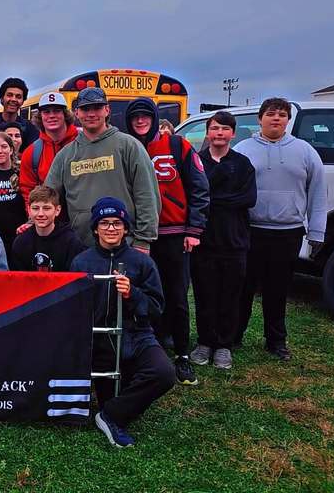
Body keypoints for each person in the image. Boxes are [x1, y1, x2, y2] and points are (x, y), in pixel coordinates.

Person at [70, 197, 174, 448]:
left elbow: (157, 309)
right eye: (104, 223)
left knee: (164, 373)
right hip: (100, 340)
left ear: (126, 228)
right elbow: (73, 309)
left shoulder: (142, 262)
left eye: (117, 223)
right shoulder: (81, 263)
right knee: (110, 395)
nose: (111, 228)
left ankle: (109, 416)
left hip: (137, 335)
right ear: (95, 228)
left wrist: (133, 294)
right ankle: (113, 409)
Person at [124, 97, 210, 386]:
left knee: (176, 295)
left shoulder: (177, 145)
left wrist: (194, 230)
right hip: (139, 237)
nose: (139, 121)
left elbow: (199, 188)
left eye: (145, 116)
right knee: (144, 294)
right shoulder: (127, 148)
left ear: (154, 117)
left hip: (174, 234)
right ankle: (154, 347)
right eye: (134, 117)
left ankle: (183, 355)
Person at [234, 98, 327, 361]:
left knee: (278, 289)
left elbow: (318, 192)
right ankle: (235, 335)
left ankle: (276, 340)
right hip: (251, 229)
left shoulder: (305, 151)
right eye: (271, 114)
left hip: (288, 231)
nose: (277, 118)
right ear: (260, 119)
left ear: (288, 120)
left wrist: (317, 231)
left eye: (282, 115)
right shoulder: (243, 149)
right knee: (244, 287)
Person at [44, 87, 160, 251]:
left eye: (97, 108)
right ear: (76, 113)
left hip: (125, 246)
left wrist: (143, 240)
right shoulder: (65, 155)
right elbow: (48, 197)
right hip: (79, 247)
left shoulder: (129, 146)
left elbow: (147, 195)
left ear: (107, 110)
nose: (91, 114)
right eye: (85, 109)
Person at [190, 111, 257, 370]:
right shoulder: (196, 161)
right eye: (215, 128)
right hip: (204, 240)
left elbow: (248, 198)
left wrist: (211, 199)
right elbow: (193, 196)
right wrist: (218, 199)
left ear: (232, 133)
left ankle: (224, 346)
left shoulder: (242, 164)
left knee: (231, 295)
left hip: (234, 241)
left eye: (225, 129)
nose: (219, 133)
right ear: (208, 132)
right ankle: (205, 342)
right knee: (205, 294)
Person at [19, 92, 79, 207]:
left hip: (82, 216)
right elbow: (28, 191)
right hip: (50, 219)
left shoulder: (83, 141)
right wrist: (35, 218)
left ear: (65, 114)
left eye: (57, 111)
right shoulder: (31, 153)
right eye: (46, 112)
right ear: (40, 116)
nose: (51, 116)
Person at [10, 186, 86, 272]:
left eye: (46, 208)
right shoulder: (21, 242)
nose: (40, 214)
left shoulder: (71, 242)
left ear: (57, 210)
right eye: (35, 208)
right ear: (29, 210)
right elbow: (17, 279)